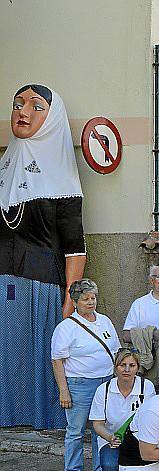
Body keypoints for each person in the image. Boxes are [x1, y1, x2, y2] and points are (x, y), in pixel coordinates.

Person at [1, 84, 86, 430]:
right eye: (18, 104)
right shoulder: (5, 168)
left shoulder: (61, 175)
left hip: (42, 287)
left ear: (53, 120)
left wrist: (72, 294)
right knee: (8, 355)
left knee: (40, 356)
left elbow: (75, 245)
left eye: (36, 108)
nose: (22, 112)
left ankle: (41, 417)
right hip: (4, 283)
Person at [51, 278, 121, 471]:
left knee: (102, 427)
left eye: (93, 298)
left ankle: (100, 470)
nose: (91, 302)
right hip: (79, 384)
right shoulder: (66, 328)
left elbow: (116, 350)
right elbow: (57, 360)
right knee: (76, 430)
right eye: (85, 299)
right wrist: (64, 390)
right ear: (75, 301)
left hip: (106, 382)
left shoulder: (105, 321)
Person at [90, 349, 157, 471]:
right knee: (110, 466)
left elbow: (152, 418)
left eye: (132, 365)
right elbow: (97, 424)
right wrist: (110, 437)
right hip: (113, 439)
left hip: (139, 439)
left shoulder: (146, 387)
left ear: (138, 367)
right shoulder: (103, 390)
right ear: (115, 367)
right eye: (122, 365)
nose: (127, 369)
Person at [122, 264, 159, 386]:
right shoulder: (140, 304)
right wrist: (152, 334)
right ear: (151, 280)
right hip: (147, 362)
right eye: (158, 276)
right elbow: (126, 336)